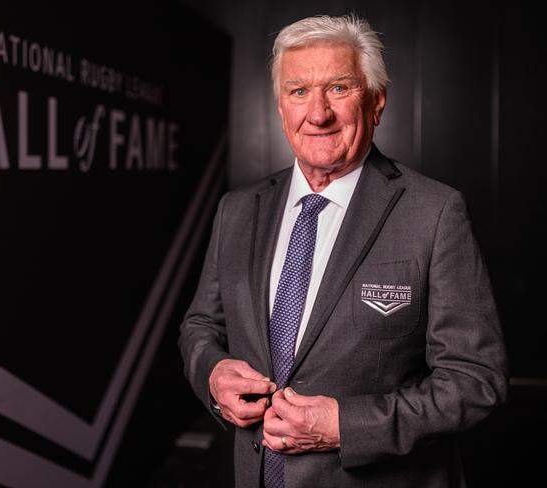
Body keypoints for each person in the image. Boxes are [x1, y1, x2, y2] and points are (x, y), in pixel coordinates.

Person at [178, 13, 507, 488]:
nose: (317, 113)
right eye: (298, 92)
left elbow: (477, 380)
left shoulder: (435, 212)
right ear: (280, 106)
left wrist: (346, 426)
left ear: (376, 102)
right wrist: (212, 374)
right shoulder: (238, 210)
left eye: (338, 88)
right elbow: (200, 325)